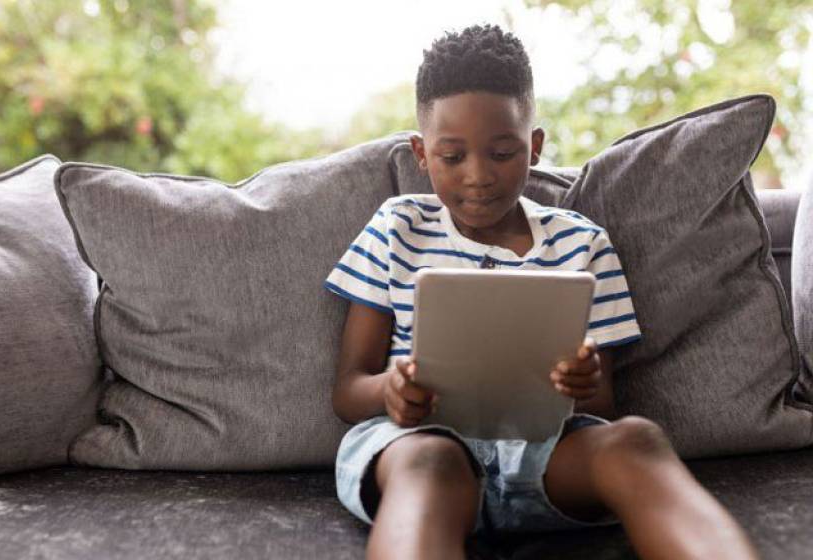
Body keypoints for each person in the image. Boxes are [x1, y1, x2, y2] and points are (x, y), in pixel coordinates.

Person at [323, 24, 758, 560]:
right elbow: (348, 390)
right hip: (416, 446)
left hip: (544, 455)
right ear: (421, 152)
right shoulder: (397, 227)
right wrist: (390, 390)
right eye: (452, 157)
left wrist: (582, 380)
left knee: (636, 439)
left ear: (534, 147)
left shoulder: (582, 244)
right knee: (432, 465)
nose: (478, 176)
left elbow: (599, 404)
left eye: (502, 153)